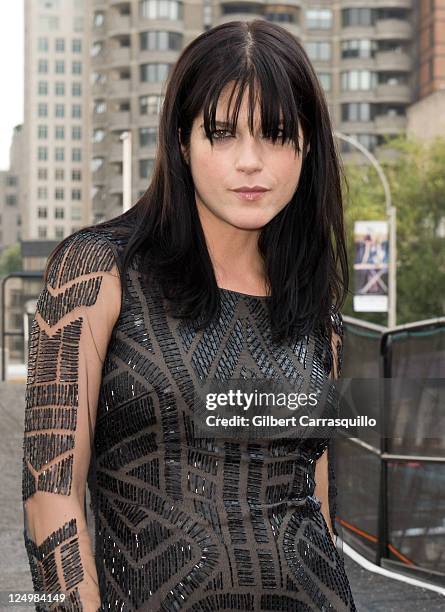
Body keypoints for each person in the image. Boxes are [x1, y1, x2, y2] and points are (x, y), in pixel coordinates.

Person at [21, 19, 356, 611]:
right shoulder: (97, 269)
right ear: (182, 140)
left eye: (276, 134)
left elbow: (317, 503)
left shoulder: (313, 306)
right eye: (222, 133)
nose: (250, 162)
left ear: (307, 145)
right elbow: (51, 494)